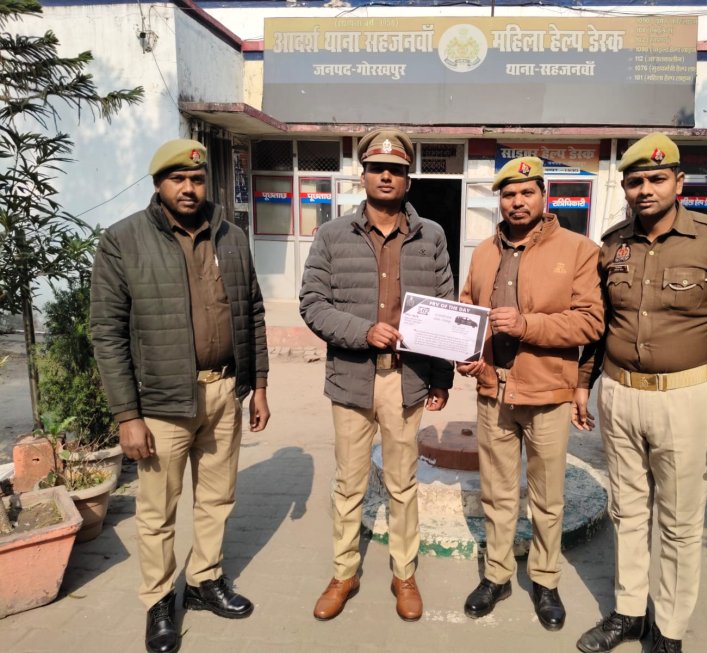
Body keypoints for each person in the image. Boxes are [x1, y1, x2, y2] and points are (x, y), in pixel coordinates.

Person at [574, 133, 707, 653]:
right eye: (635, 181)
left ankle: (670, 631)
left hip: (684, 399)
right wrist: (584, 384)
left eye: (657, 179)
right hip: (620, 395)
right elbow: (601, 325)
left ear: (679, 182)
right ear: (625, 188)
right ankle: (630, 613)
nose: (645, 189)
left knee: (679, 521)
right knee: (627, 511)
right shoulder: (613, 244)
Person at [91, 139, 270, 653]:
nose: (189, 188)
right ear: (158, 185)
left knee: (217, 498)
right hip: (162, 402)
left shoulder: (232, 236)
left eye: (196, 179)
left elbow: (252, 312)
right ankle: (158, 600)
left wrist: (258, 385)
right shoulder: (123, 240)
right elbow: (107, 332)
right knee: (157, 510)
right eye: (177, 179)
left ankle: (204, 580)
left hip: (224, 391)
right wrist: (127, 415)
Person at [299, 127, 454, 622]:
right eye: (377, 168)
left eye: (396, 170)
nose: (386, 176)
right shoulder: (332, 235)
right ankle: (344, 572)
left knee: (403, 484)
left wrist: (442, 378)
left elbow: (445, 308)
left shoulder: (431, 236)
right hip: (352, 378)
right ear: (362, 174)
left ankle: (403, 574)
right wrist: (364, 332)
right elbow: (312, 304)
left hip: (406, 380)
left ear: (408, 179)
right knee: (349, 483)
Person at [458, 156, 605, 631]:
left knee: (546, 497)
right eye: (508, 194)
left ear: (545, 196)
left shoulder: (578, 250)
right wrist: (466, 352)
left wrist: (527, 325)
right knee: (497, 493)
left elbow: (591, 321)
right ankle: (497, 575)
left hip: (547, 393)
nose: (517, 202)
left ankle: (545, 579)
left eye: (526, 192)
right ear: (499, 200)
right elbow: (467, 308)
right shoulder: (484, 252)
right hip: (492, 391)